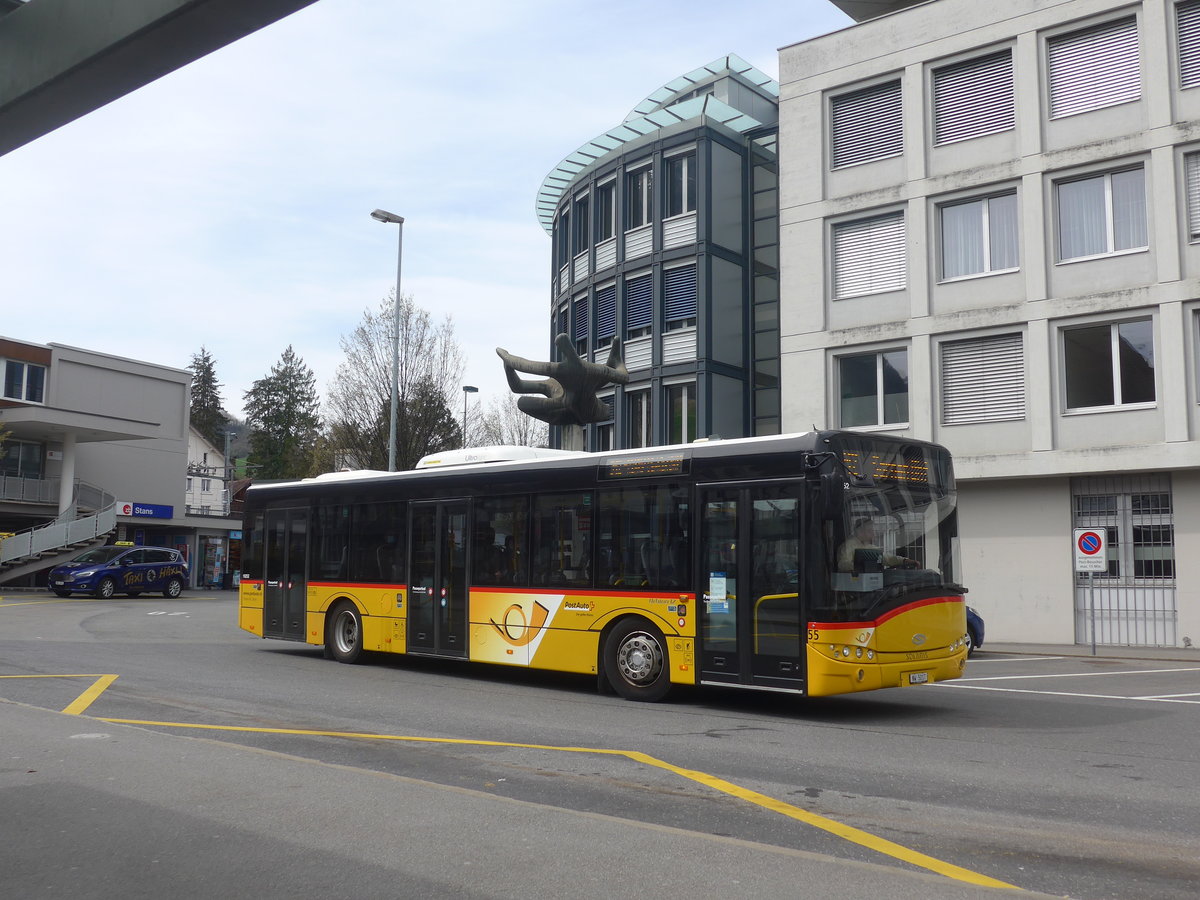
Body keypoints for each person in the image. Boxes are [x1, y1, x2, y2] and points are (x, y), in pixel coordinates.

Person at [837, 518, 913, 573]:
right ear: (860, 532)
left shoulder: (869, 547)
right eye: (870, 531)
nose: (874, 534)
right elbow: (843, 564)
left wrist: (904, 560)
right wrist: (862, 566)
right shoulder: (849, 545)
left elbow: (886, 558)